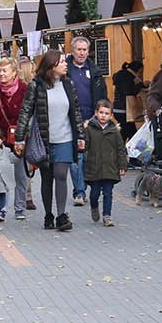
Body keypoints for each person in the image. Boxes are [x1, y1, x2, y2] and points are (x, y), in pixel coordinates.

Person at [13, 49, 85, 232]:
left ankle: (61, 215)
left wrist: (81, 136)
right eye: (62, 61)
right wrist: (19, 138)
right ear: (52, 66)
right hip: (43, 140)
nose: (66, 64)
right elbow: (25, 112)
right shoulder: (36, 85)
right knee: (47, 177)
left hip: (65, 138)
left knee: (61, 175)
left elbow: (76, 112)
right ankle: (48, 215)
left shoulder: (68, 84)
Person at [64, 36, 108, 206]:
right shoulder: (65, 70)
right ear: (73, 51)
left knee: (89, 157)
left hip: (92, 119)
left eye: (84, 50)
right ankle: (79, 192)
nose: (82, 53)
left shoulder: (95, 71)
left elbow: (103, 95)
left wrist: (102, 116)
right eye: (79, 49)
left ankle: (89, 188)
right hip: (71, 120)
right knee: (76, 158)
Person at [0, 58, 31, 219]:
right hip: (1, 139)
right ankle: (2, 209)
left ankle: (20, 207)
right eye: (0, 71)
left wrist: (24, 134)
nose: (1, 74)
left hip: (20, 138)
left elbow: (29, 113)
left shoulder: (25, 90)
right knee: (3, 175)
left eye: (5, 71)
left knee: (20, 175)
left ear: (14, 72)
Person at [83, 99, 128, 226]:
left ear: (111, 115)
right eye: (101, 112)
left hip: (110, 167)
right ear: (96, 113)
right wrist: (81, 145)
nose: (103, 115)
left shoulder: (115, 131)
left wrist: (122, 165)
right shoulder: (90, 129)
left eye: (106, 113)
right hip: (94, 166)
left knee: (108, 193)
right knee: (94, 193)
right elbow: (85, 145)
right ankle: (94, 206)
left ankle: (107, 215)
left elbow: (120, 149)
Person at [111, 60, 143, 138]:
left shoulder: (121, 74)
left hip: (117, 109)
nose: (141, 74)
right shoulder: (128, 76)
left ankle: (121, 148)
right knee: (131, 133)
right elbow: (129, 91)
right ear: (137, 70)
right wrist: (139, 86)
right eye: (140, 72)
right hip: (124, 110)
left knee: (126, 132)